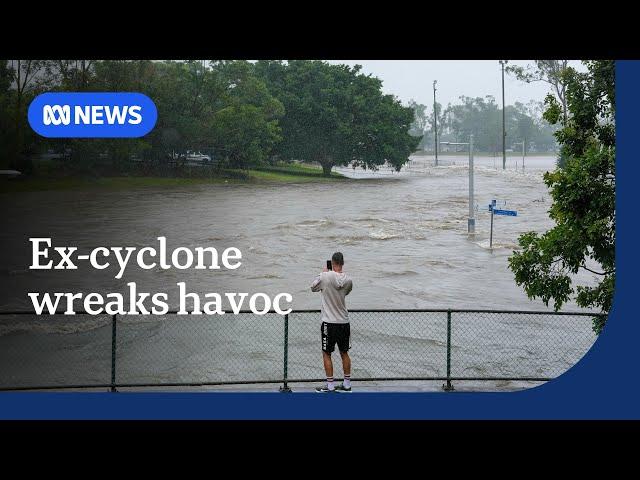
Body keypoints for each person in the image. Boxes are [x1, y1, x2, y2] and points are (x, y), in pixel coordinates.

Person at [310, 251, 353, 393]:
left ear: (332, 263)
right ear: (342, 263)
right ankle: (347, 384)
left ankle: (330, 386)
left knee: (327, 353)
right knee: (344, 352)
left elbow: (313, 287)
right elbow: (345, 292)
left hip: (329, 322)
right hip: (344, 322)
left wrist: (322, 273)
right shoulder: (348, 280)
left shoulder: (325, 276)